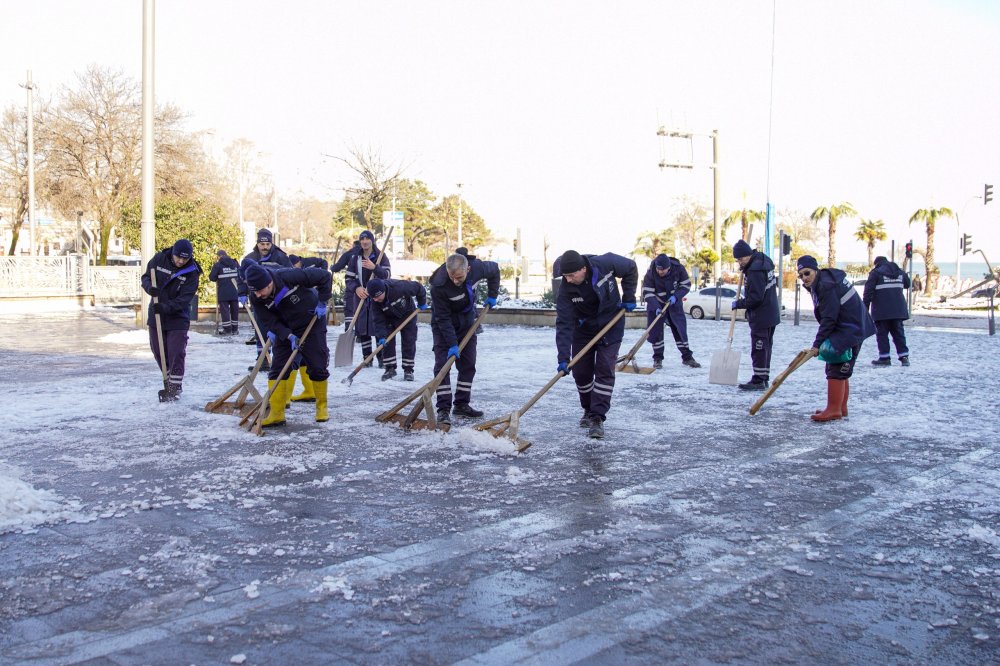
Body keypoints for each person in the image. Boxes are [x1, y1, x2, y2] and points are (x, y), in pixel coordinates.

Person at [555, 249, 638, 440]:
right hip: (583, 329)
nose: (567, 279)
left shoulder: (605, 264)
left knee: (604, 369)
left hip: (611, 324)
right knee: (581, 372)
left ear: (583, 269)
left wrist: (629, 296)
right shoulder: (566, 290)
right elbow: (564, 324)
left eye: (571, 275)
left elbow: (631, 268)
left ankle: (597, 417)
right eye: (564, 276)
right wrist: (563, 357)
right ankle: (587, 409)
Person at [243, 261, 333, 427]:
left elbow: (325, 276)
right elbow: (269, 320)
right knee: (277, 368)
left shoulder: (288, 276)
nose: (257, 295)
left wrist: (322, 301)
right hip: (286, 328)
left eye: (260, 291)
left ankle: (322, 407)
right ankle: (277, 414)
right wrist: (288, 335)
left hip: (311, 320)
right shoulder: (255, 296)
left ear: (269, 283)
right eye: (254, 292)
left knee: (317, 364)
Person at [797, 255, 875, 422]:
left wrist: (817, 345)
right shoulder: (825, 281)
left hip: (850, 329)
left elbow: (829, 318)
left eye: (807, 273)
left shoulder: (826, 286)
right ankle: (840, 407)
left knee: (837, 368)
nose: (804, 278)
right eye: (801, 275)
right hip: (850, 327)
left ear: (815, 270)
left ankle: (834, 409)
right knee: (840, 367)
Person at [429, 251, 501, 424]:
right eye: (452, 277)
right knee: (443, 366)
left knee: (468, 365)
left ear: (468, 269)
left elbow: (495, 270)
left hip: (468, 324)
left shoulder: (478, 268)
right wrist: (452, 344)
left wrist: (492, 294)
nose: (455, 281)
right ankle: (443, 409)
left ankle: (461, 405)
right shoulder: (439, 286)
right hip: (443, 327)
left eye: (459, 277)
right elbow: (443, 318)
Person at [140, 239, 202, 401]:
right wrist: (149, 288)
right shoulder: (159, 259)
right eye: (178, 257)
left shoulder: (192, 272)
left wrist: (166, 307)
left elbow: (184, 299)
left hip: (177, 317)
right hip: (156, 314)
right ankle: (167, 381)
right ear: (173, 253)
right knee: (158, 350)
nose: (181, 261)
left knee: (176, 352)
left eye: (185, 258)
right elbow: (146, 277)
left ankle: (174, 387)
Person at [731, 239, 780, 390]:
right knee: (765, 348)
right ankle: (763, 377)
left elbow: (755, 298)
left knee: (759, 348)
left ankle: (759, 380)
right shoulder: (763, 260)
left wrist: (738, 303)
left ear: (747, 255)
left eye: (740, 259)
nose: (739, 262)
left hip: (761, 316)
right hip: (771, 313)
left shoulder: (755, 270)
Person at [240, 229, 292, 368]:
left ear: (271, 244)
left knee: (278, 328)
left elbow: (291, 274)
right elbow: (242, 278)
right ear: (257, 244)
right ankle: (263, 359)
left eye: (267, 244)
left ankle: (278, 361)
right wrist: (242, 293)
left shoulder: (281, 257)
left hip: (278, 300)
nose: (264, 247)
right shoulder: (250, 258)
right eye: (262, 244)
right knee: (261, 329)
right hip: (259, 300)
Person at [642, 253, 700, 369]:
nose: (660, 272)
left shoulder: (678, 269)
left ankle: (687, 357)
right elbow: (647, 292)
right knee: (656, 332)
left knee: (680, 330)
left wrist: (676, 296)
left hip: (673, 304)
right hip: (656, 304)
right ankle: (657, 359)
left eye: (663, 270)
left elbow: (685, 285)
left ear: (669, 268)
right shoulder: (651, 272)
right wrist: (655, 306)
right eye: (659, 269)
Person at [366, 277, 429, 381]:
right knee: (387, 341)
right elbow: (378, 320)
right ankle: (390, 368)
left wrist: (422, 302)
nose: (375, 300)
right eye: (373, 298)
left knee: (409, 340)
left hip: (408, 313)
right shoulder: (375, 301)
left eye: (377, 297)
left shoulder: (399, 286)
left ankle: (408, 369)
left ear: (383, 291)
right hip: (388, 319)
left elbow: (419, 288)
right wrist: (381, 336)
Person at [344, 230, 391, 366]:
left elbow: (387, 275)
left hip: (377, 297)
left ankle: (381, 358)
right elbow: (349, 278)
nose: (364, 242)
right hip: (361, 297)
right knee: (362, 328)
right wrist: (356, 288)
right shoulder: (355, 258)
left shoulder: (381, 256)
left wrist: (374, 267)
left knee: (377, 326)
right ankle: (367, 358)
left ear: (372, 241)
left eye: (367, 239)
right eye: (362, 240)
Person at [863, 256, 911, 366]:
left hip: (881, 311)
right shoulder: (899, 271)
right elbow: (908, 284)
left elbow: (868, 292)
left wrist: (865, 309)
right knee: (899, 334)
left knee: (882, 334)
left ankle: (884, 358)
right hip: (898, 310)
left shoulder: (875, 273)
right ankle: (904, 357)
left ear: (877, 264)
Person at [208, 249, 242, 335]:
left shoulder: (218, 265)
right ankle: (235, 329)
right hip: (235, 291)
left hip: (223, 292)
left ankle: (227, 330)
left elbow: (212, 278)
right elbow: (241, 274)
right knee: (235, 310)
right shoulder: (235, 263)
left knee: (225, 311)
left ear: (219, 256)